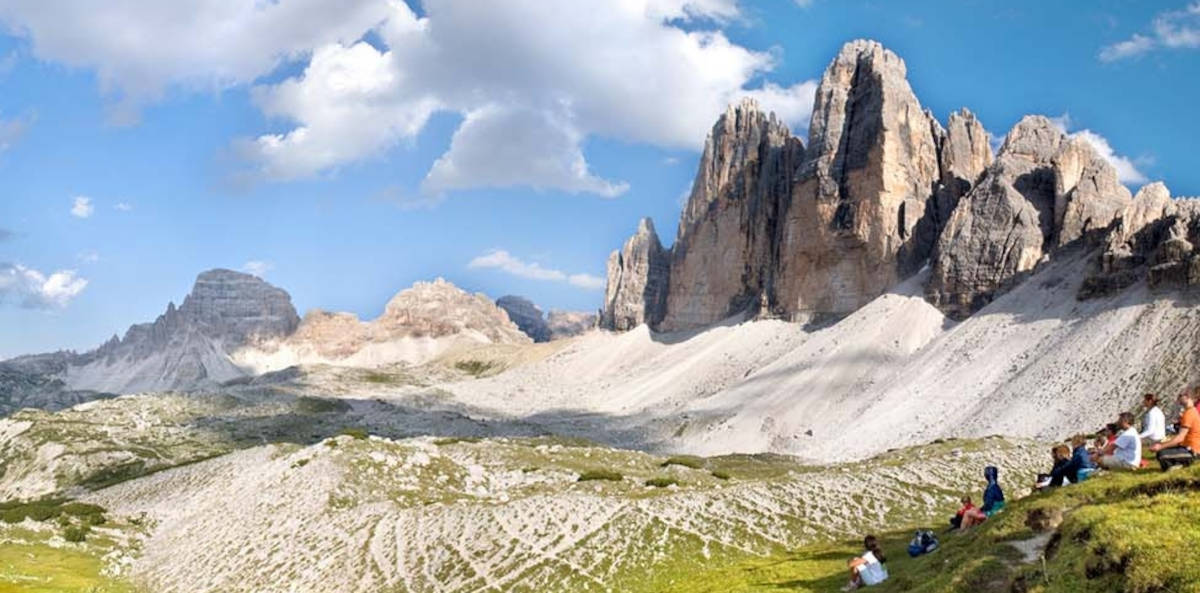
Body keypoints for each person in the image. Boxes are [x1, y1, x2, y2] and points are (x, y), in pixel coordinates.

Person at [1151, 391, 1200, 471]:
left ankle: (1182, 465)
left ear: (1188, 398)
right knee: (1162, 452)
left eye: (1181, 397)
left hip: (1193, 450)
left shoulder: (1189, 413)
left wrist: (1160, 446)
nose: (1179, 400)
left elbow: (1180, 437)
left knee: (1162, 454)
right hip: (1187, 446)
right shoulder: (1190, 412)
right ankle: (1176, 465)